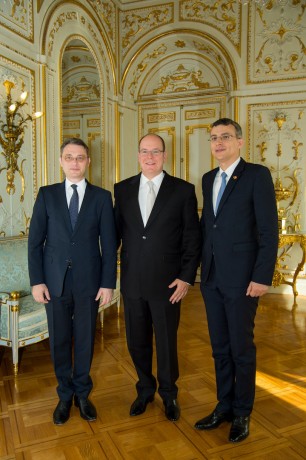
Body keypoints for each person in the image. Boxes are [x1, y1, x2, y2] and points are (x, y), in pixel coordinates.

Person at [194, 118, 278, 442]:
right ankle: (224, 405)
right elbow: (207, 228)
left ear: (240, 142)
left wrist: (261, 277)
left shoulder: (257, 175)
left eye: (225, 137)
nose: (218, 143)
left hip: (244, 280)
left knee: (241, 348)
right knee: (219, 348)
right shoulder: (207, 179)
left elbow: (270, 232)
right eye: (214, 138)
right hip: (212, 278)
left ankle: (243, 412)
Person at [28, 138, 117, 425]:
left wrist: (108, 283)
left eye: (80, 157)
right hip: (54, 282)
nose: (75, 162)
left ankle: (82, 393)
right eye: (69, 157)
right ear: (61, 161)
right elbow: (34, 244)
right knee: (60, 340)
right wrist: (37, 281)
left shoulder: (102, 197)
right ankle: (64, 395)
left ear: (88, 161)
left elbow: (109, 242)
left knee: (85, 338)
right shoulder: (46, 195)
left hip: (89, 283)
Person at [114, 133, 201, 422]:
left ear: (165, 155)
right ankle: (144, 388)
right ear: (137, 155)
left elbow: (192, 237)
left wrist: (187, 277)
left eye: (155, 152)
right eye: (144, 152)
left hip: (168, 283)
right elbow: (115, 235)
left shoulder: (182, 190)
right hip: (132, 281)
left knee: (166, 341)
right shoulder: (122, 189)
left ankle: (169, 393)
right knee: (136, 340)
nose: (149, 157)